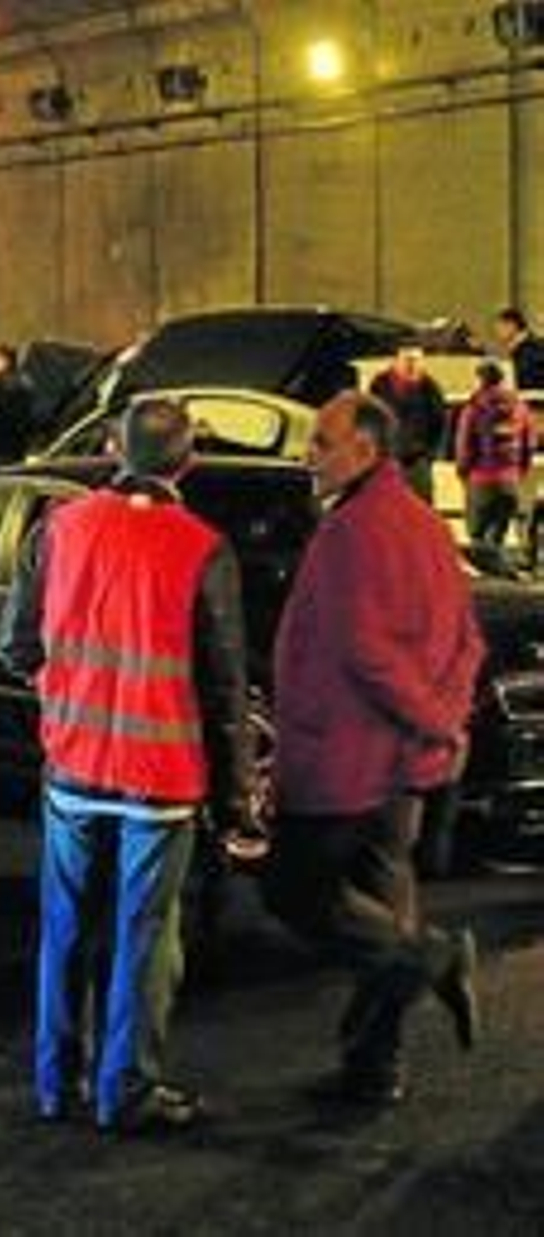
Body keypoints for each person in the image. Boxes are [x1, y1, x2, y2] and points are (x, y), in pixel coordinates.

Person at [0, 395, 255, 1135]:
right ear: (190, 460)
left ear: (115, 447)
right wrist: (240, 799)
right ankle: (128, 1088)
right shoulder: (203, 547)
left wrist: (64, 691)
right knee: (145, 931)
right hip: (160, 777)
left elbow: (17, 645)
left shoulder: (59, 528)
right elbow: (224, 685)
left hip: (74, 767)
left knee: (65, 926)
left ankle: (57, 1083)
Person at [263, 390, 483, 1108]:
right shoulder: (424, 524)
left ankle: (434, 957)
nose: (309, 455)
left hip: (347, 761)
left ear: (367, 449)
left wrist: (429, 717)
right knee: (386, 909)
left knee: (298, 890)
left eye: (323, 442)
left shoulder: (353, 532)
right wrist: (444, 720)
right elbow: (466, 638)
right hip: (405, 769)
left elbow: (367, 651)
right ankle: (374, 1067)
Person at [455, 360, 532, 550]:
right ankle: (496, 569)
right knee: (499, 534)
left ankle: (485, 573)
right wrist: (520, 472)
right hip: (510, 480)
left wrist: (463, 472)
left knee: (476, 534)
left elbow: (464, 445)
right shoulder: (520, 407)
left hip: (480, 479)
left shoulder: (473, 408)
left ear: (481, 379)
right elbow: (529, 444)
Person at [367, 345, 446, 504]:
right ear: (396, 361)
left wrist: (431, 454)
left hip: (417, 460)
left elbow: (440, 423)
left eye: (416, 360)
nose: (412, 365)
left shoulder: (429, 387)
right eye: (407, 360)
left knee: (421, 505)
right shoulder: (380, 384)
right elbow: (370, 419)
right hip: (388, 457)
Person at [496, 306, 544, 393]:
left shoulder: (531, 348)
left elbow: (526, 382)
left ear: (512, 326)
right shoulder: (520, 347)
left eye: (500, 328)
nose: (498, 333)